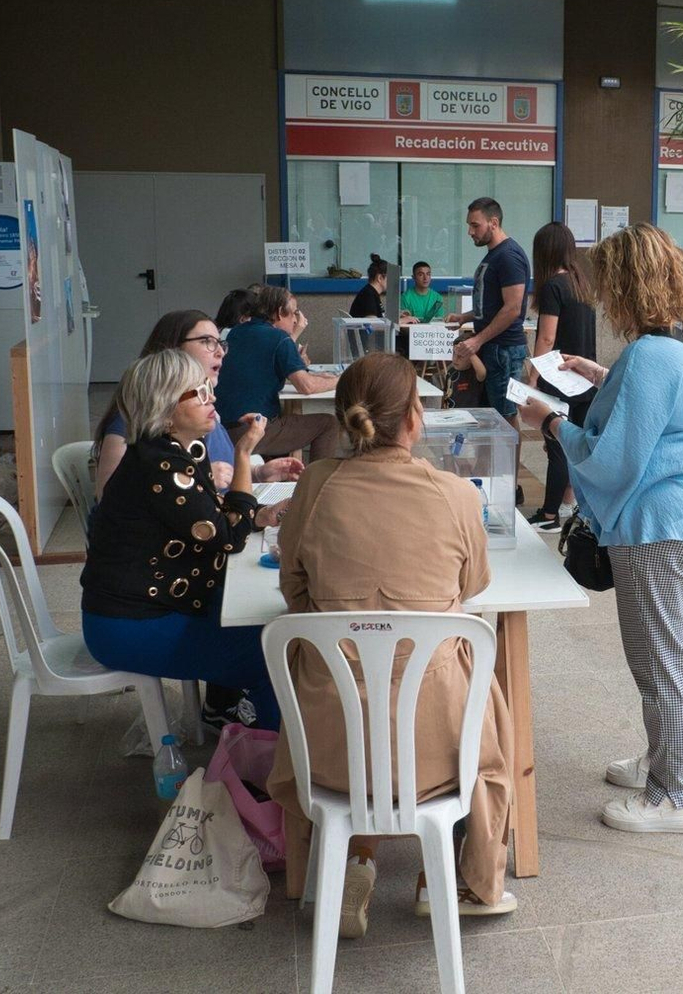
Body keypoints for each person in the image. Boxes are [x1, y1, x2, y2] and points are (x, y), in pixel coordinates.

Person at [270, 352, 517, 937]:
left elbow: (292, 588)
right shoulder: (454, 495)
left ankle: (353, 860)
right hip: (437, 753)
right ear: (414, 418)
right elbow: (472, 586)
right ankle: (457, 881)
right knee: (479, 688)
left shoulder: (315, 485)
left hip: (328, 747)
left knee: (350, 688)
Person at [516, 223, 683, 834]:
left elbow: (614, 462)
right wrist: (601, 375)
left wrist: (552, 423)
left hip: (662, 529)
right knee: (678, 650)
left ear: (625, 285)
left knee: (659, 659)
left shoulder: (649, 356)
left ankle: (674, 795)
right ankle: (666, 760)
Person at [80, 349, 279, 731]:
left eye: (208, 389)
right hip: (129, 626)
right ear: (165, 406)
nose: (213, 398)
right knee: (277, 652)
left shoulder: (178, 452)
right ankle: (268, 766)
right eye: (199, 392)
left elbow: (213, 518)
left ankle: (234, 722)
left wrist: (257, 515)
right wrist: (243, 455)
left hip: (154, 606)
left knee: (261, 625)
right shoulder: (162, 465)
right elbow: (228, 536)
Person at [92, 309, 302, 504]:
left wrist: (257, 473)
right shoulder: (133, 418)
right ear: (171, 350)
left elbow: (220, 467)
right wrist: (195, 476)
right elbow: (109, 497)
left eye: (220, 342)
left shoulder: (199, 408)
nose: (220, 351)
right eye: (206, 341)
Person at [523, 221, 597, 530]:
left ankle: (550, 514)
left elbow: (547, 338)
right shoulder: (582, 283)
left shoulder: (553, 286)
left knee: (555, 445)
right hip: (585, 377)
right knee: (575, 446)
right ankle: (569, 502)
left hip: (559, 377)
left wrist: (532, 377)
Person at [215, 285, 339, 460]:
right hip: (252, 429)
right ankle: (318, 483)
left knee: (286, 419)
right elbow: (306, 386)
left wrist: (319, 377)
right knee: (328, 424)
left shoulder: (236, 332)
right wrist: (339, 380)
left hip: (223, 430)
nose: (296, 320)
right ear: (280, 312)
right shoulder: (280, 338)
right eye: (294, 313)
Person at [448, 197, 528, 429]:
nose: (470, 232)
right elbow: (493, 305)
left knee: (505, 417)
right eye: (469, 225)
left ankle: (508, 467)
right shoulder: (495, 255)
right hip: (492, 348)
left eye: (475, 225)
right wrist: (466, 317)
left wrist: (477, 340)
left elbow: (512, 308)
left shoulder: (508, 256)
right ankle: (491, 465)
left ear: (493, 222)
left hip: (504, 349)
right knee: (488, 416)